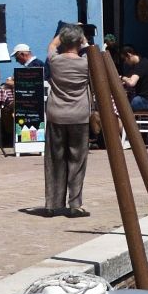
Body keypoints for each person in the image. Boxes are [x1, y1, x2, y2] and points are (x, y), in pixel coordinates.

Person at [43, 27, 93, 217]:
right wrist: (84, 41)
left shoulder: (55, 60)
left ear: (63, 42)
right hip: (79, 115)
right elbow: (89, 49)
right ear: (79, 42)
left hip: (56, 114)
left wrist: (62, 34)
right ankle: (75, 204)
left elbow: (51, 45)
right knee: (77, 160)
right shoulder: (86, 63)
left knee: (54, 160)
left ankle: (53, 203)